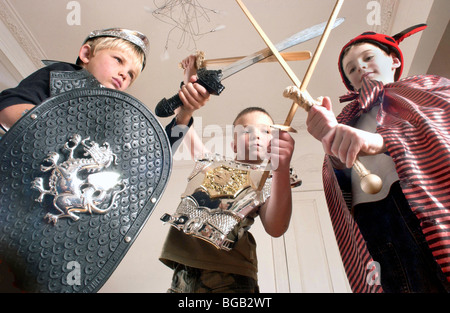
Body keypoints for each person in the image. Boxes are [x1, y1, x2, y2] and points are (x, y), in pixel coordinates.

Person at [287, 24, 450, 292]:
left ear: (394, 59)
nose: (360, 67)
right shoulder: (348, 119)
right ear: (349, 83)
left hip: (427, 201)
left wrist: (381, 141)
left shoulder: (427, 86)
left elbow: (441, 130)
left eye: (368, 58)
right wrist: (331, 144)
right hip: (374, 217)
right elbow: (342, 175)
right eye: (351, 68)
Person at [159, 55, 296, 293]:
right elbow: (184, 123)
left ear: (273, 141)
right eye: (246, 131)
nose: (255, 136)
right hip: (183, 271)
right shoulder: (210, 163)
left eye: (265, 131)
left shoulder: (269, 178)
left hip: (230, 275)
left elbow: (275, 228)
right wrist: (189, 80)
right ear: (233, 144)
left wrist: (281, 167)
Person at [0, 28, 210, 135]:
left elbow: (156, 155)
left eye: (131, 74)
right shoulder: (62, 73)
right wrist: (60, 134)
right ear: (86, 54)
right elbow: (7, 108)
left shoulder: (118, 116)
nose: (123, 74)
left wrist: (185, 111)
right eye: (118, 60)